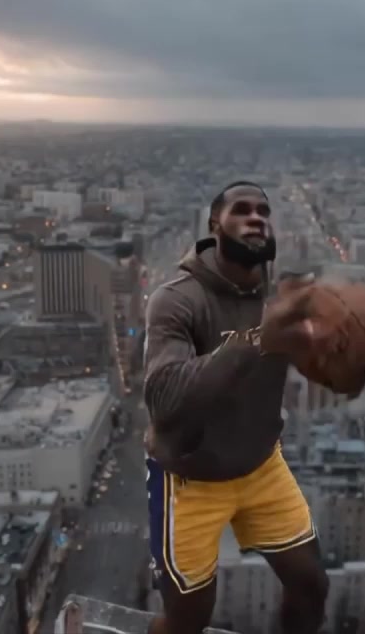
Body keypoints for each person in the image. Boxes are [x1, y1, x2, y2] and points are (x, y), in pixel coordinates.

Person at [143, 181, 332, 634]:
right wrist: (257, 340)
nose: (256, 218)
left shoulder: (282, 295)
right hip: (190, 477)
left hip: (260, 466)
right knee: (189, 616)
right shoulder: (177, 299)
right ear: (215, 226)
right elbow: (164, 398)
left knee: (311, 584)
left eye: (263, 211)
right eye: (242, 210)